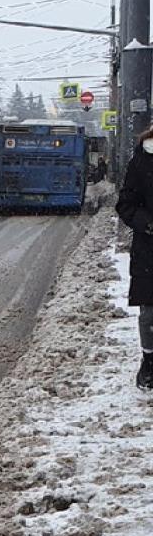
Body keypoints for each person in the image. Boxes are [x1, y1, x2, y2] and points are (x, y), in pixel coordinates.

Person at [115, 125, 153, 390]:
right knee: (150, 312)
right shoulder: (143, 159)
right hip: (150, 250)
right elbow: (126, 204)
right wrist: (149, 224)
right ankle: (149, 363)